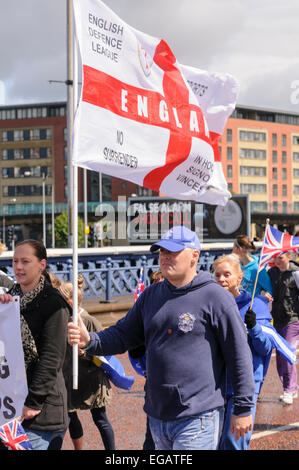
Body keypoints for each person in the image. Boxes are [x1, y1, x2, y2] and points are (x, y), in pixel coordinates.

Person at [68, 225, 255, 450]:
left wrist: (243, 408)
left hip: (198, 416)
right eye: (161, 252)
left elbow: (238, 354)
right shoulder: (151, 295)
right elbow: (123, 334)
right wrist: (90, 340)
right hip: (157, 416)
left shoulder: (215, 297)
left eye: (172, 251)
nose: (165, 256)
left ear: (194, 255)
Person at [0, 240, 71, 450]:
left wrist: (33, 402)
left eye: (25, 261)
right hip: (12, 408)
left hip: (41, 414)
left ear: (41, 265)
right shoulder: (12, 298)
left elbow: (52, 359)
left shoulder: (53, 304)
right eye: (15, 261)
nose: (18, 267)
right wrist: (2, 307)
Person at [212, 254, 277, 449]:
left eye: (227, 274)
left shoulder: (255, 305)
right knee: (212, 442)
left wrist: (255, 327)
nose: (221, 279)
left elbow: (265, 347)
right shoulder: (209, 306)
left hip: (242, 387)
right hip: (213, 386)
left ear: (239, 278)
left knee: (234, 442)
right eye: (217, 275)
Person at [59, 276, 115, 450]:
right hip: (70, 376)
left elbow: (106, 351)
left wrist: (86, 354)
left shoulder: (89, 321)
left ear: (69, 302)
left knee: (100, 418)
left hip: (92, 379)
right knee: (68, 417)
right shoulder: (61, 320)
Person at [128, 270, 164, 451]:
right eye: (156, 282)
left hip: (187, 390)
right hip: (155, 382)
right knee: (152, 438)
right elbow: (135, 352)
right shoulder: (147, 307)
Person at [268, 252, 299, 404]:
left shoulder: (296, 272)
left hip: (293, 319)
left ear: (289, 257)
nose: (277, 261)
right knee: (280, 356)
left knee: (286, 353)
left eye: (280, 258)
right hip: (277, 320)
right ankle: (291, 386)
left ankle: (289, 389)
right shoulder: (271, 273)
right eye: (275, 258)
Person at [232, 235, 273, 301]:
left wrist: (264, 296)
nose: (232, 251)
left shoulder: (257, 268)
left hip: (251, 307)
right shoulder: (237, 265)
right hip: (238, 305)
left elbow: (269, 290)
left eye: (233, 248)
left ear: (239, 249)